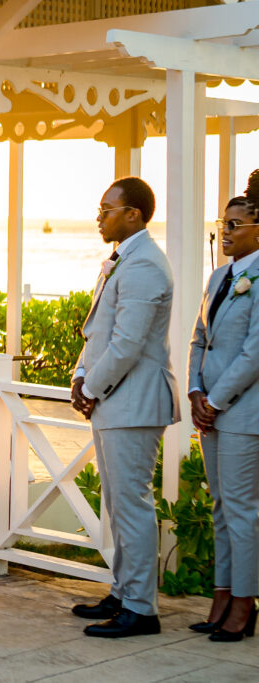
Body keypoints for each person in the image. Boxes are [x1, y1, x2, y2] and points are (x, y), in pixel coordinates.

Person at [69, 177, 178, 638]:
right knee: (116, 503)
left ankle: (141, 609)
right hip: (114, 401)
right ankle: (122, 591)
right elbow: (99, 331)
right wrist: (79, 375)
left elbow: (128, 343)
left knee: (131, 504)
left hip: (133, 402)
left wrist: (92, 387)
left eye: (106, 209)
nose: (100, 216)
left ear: (133, 214)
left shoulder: (146, 266)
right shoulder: (121, 260)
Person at [186, 182, 259, 642]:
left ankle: (245, 604)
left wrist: (216, 400)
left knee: (242, 510)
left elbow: (254, 354)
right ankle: (222, 593)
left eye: (234, 225)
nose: (225, 232)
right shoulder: (218, 278)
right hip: (208, 410)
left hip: (243, 413)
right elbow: (199, 338)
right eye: (222, 224)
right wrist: (195, 389)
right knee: (219, 508)